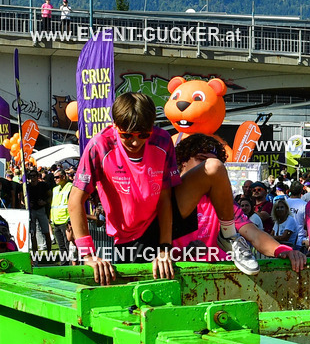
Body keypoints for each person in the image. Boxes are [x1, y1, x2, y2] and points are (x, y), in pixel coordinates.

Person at [69, 93, 253, 284]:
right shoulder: (100, 145)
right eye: (126, 136)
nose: (135, 142)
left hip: (164, 220)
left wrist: (164, 248)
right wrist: (88, 254)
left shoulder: (163, 140)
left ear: (151, 128)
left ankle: (229, 236)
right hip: (129, 238)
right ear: (115, 126)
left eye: (143, 135)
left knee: (214, 167)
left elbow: (166, 197)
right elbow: (75, 201)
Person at [172, 135, 304, 272]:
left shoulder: (221, 200)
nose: (209, 168)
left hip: (219, 279)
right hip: (177, 280)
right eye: (201, 159)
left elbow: (253, 234)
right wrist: (181, 253)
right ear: (183, 161)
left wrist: (282, 250)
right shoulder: (166, 196)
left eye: (215, 162)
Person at [26, 169, 55, 253]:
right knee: (32, 233)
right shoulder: (27, 187)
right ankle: (35, 253)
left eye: (34, 176)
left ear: (37, 177)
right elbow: (21, 198)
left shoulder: (43, 185)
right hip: (31, 211)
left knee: (46, 231)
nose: (32, 178)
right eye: (31, 176)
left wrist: (45, 202)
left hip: (41, 210)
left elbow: (50, 196)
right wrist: (27, 204)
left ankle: (49, 252)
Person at [50, 168, 75, 262]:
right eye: (54, 177)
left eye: (57, 177)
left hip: (65, 222)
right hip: (56, 221)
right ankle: (63, 264)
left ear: (63, 177)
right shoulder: (55, 189)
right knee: (61, 246)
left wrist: (70, 220)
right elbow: (54, 205)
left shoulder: (70, 187)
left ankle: (70, 264)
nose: (55, 179)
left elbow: (72, 205)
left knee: (68, 246)